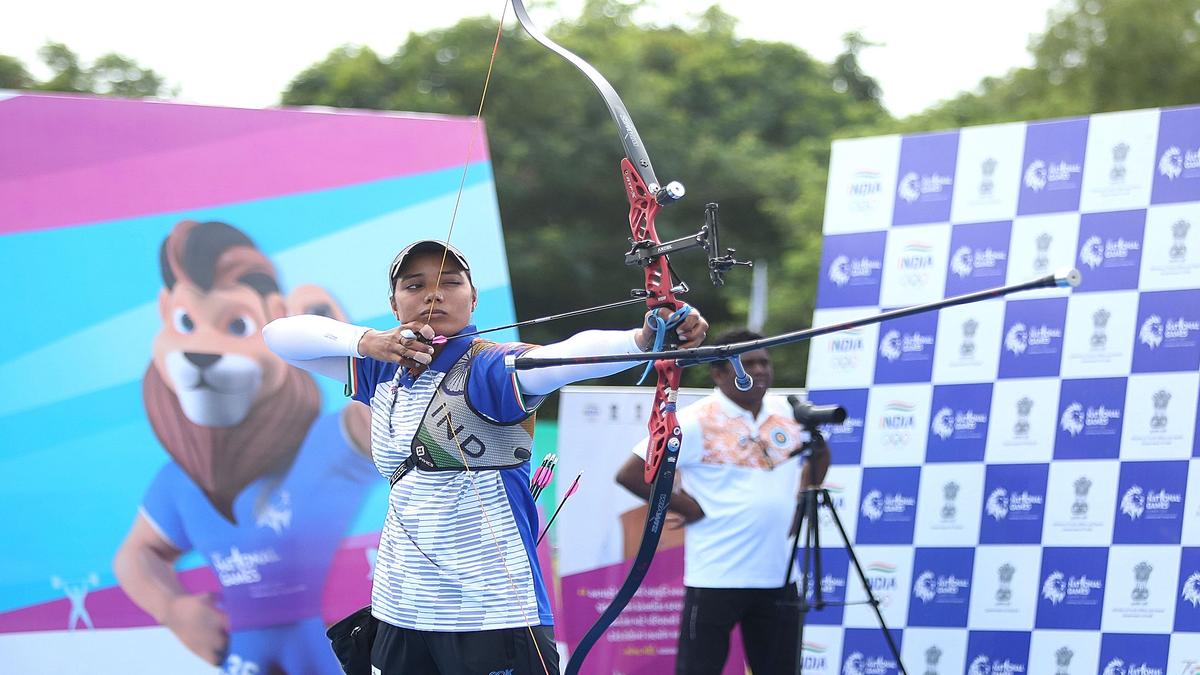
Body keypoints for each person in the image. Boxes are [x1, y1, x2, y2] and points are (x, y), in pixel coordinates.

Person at [262, 239, 708, 675]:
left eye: (450, 282)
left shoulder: (491, 367)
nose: (433, 293)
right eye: (414, 286)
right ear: (395, 305)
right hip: (400, 607)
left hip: (490, 613)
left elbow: (564, 357)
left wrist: (644, 337)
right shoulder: (382, 369)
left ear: (473, 299)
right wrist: (368, 341)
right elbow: (279, 335)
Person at [616, 329, 830, 675]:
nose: (759, 370)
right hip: (716, 575)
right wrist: (689, 507)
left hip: (778, 573)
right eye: (747, 364)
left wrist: (801, 502)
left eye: (764, 362)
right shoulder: (696, 418)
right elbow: (632, 472)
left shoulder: (788, 410)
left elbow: (819, 455)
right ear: (718, 373)